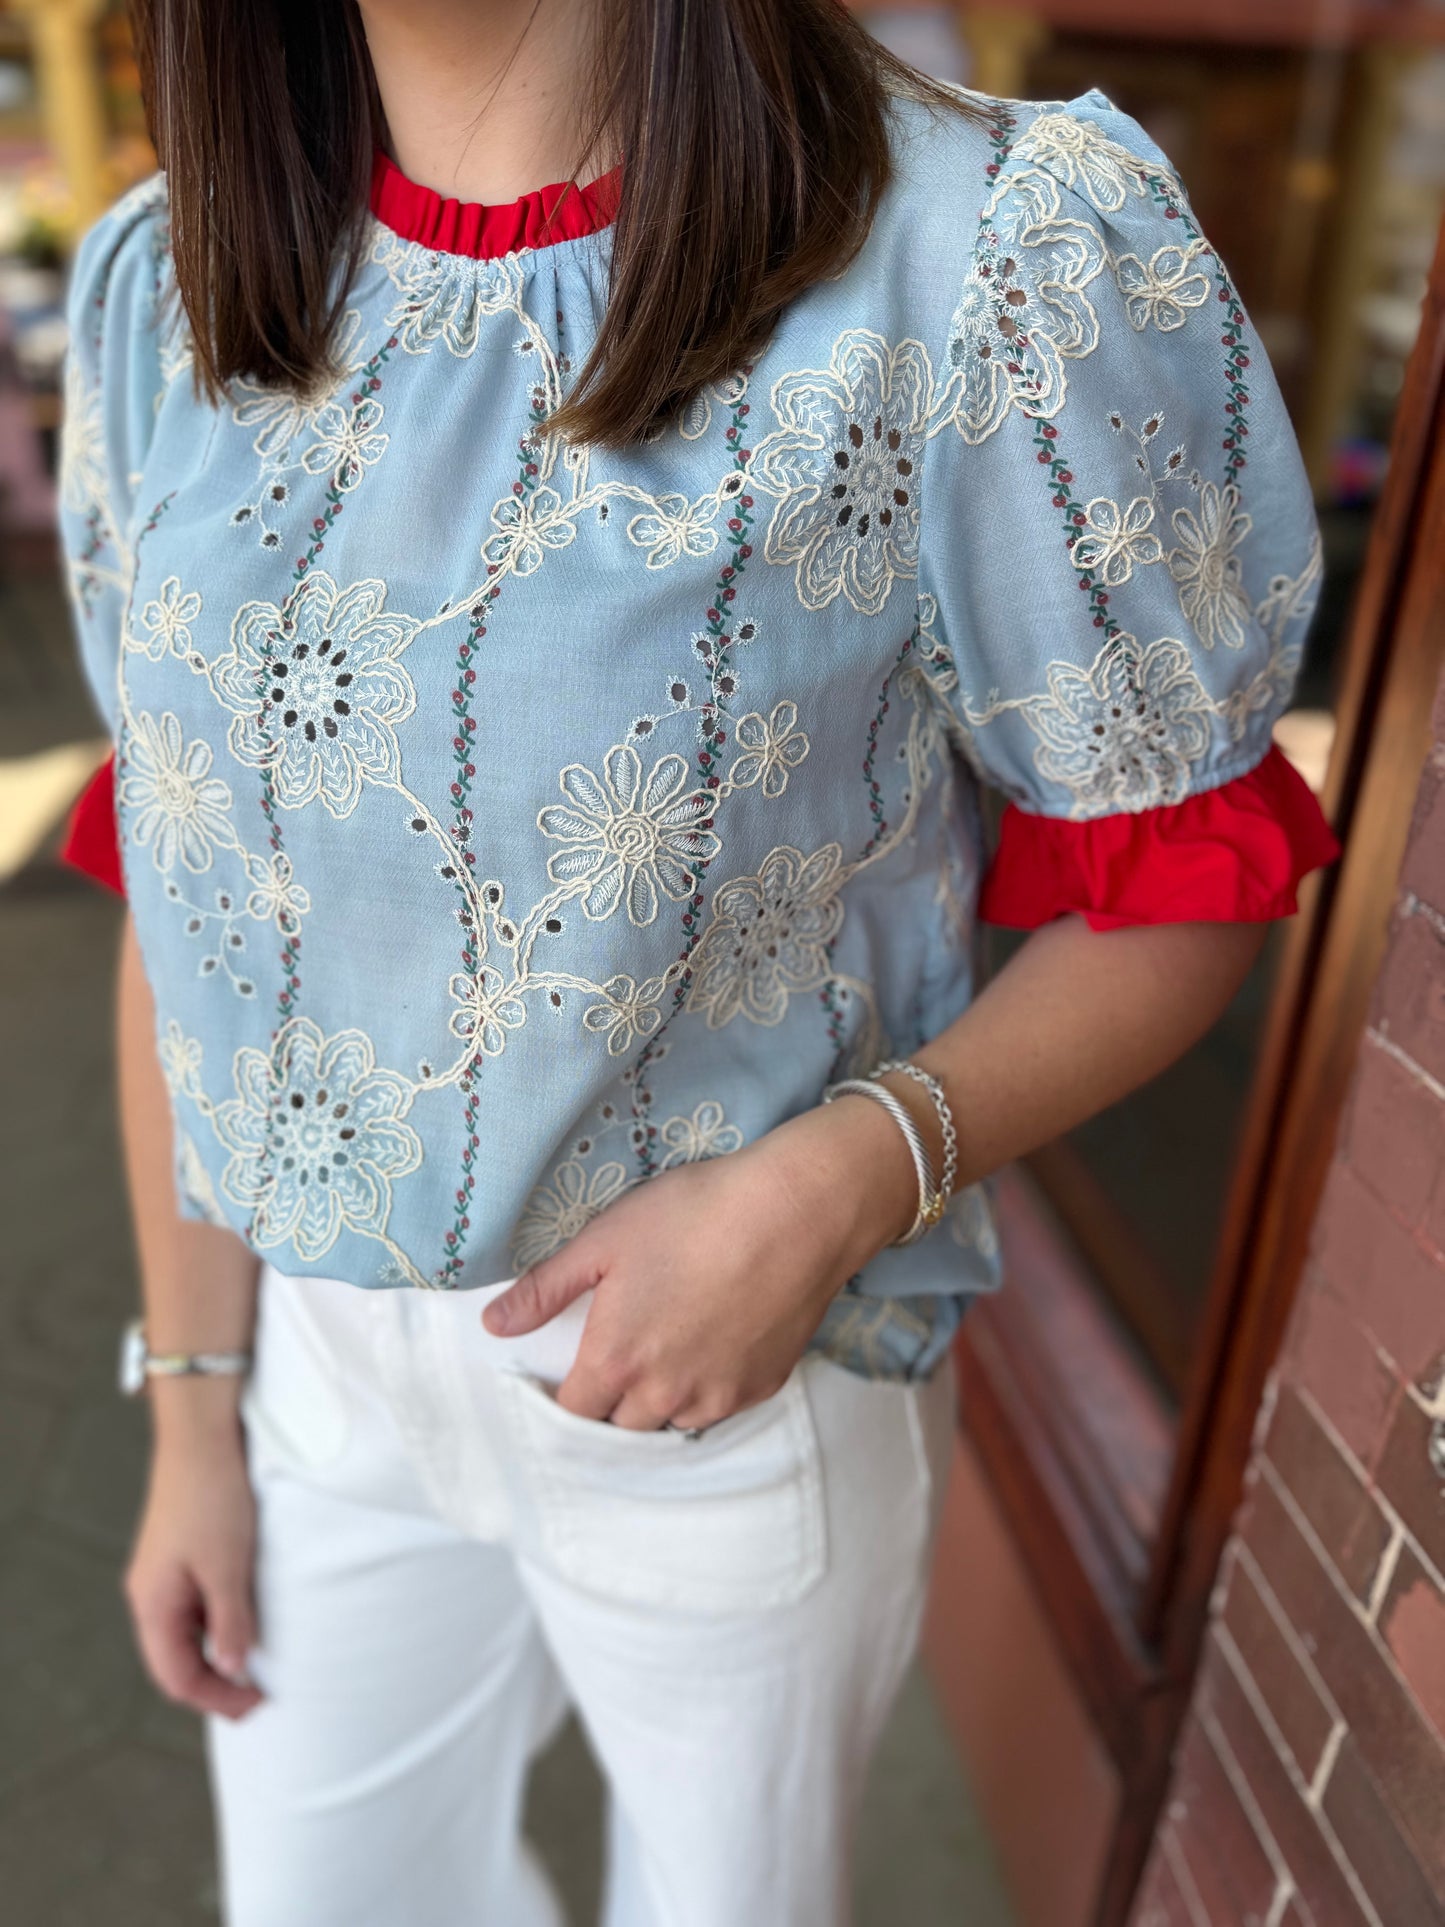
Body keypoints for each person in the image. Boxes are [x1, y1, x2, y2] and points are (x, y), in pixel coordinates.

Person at [55, 2, 1340, 1922]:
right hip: (312, 1381)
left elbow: (1179, 883)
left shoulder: (981, 252)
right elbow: (189, 911)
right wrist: (190, 1408)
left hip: (734, 1376)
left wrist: (843, 1178)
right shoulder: (168, 285)